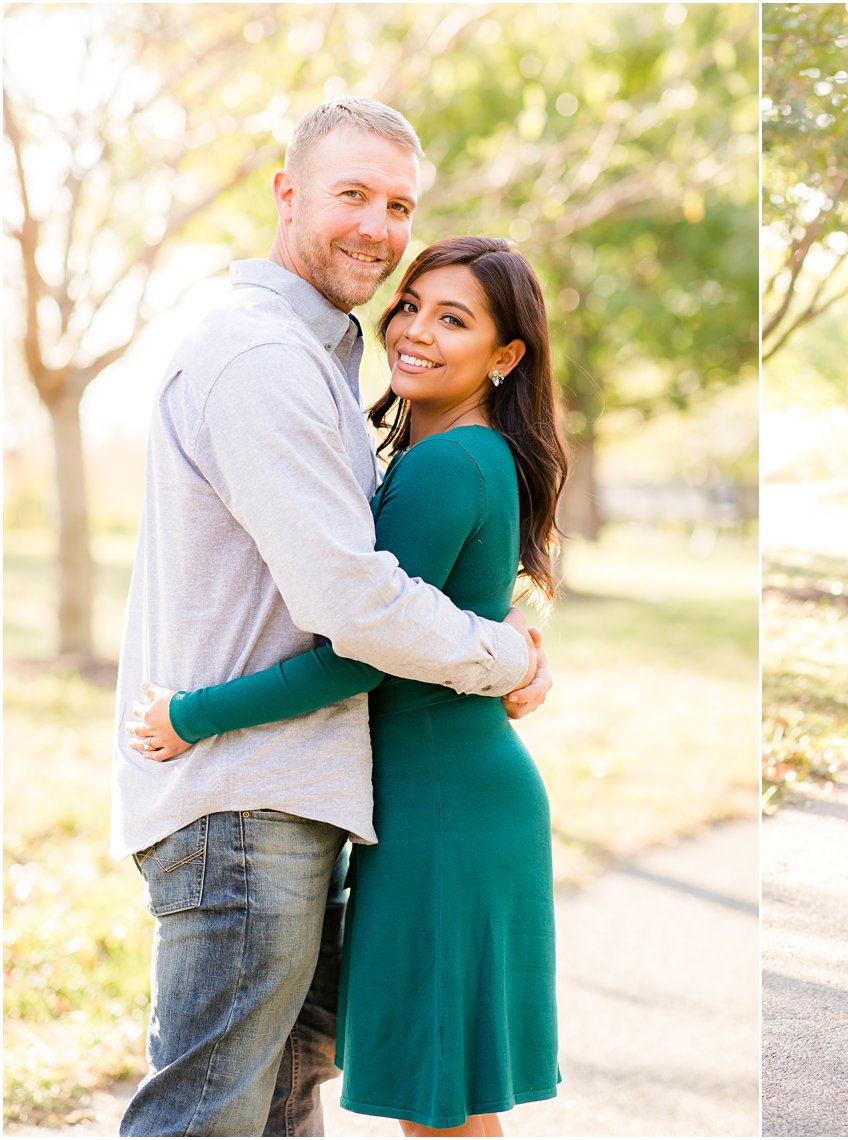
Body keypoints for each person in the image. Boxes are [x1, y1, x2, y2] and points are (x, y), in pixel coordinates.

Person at [110, 98, 551, 1137]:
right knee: (213, 1113)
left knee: (273, 1107)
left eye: (398, 204)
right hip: (245, 802)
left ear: (503, 356)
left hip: (307, 796)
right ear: (287, 192)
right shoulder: (266, 358)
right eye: (351, 194)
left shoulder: (329, 372)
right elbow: (354, 606)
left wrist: (500, 647)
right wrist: (498, 654)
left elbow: (385, 597)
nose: (377, 227)